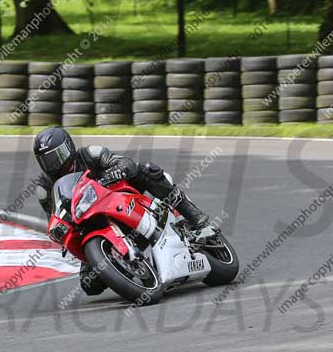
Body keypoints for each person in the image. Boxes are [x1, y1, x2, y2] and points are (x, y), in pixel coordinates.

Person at [32, 126, 213, 295]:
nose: (54, 164)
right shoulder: (44, 188)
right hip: (86, 221)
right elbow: (54, 215)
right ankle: (128, 268)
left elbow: (125, 163)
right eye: (46, 161)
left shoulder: (90, 154)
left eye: (57, 156)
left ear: (69, 147)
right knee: (90, 284)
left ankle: (196, 219)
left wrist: (116, 171)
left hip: (118, 195)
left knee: (147, 170)